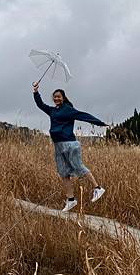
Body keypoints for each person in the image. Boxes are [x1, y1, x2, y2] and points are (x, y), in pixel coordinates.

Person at [33, 81, 107, 212]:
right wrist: (36, 92)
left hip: (70, 144)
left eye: (59, 96)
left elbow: (83, 115)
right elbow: (40, 105)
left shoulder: (68, 110)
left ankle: (98, 188)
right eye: (54, 96)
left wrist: (99, 123)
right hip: (58, 145)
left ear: (63, 98)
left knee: (79, 167)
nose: (56, 98)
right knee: (63, 173)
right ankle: (71, 200)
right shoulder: (52, 111)